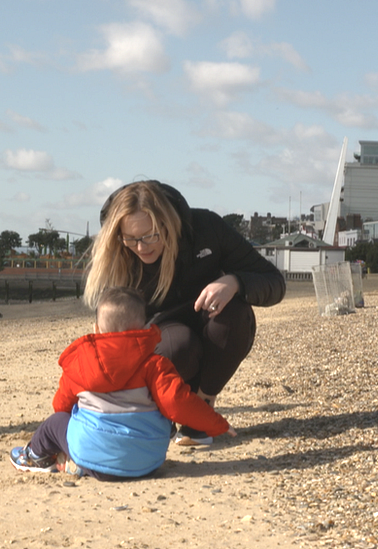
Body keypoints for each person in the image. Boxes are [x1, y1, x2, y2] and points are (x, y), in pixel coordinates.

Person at [84, 180, 284, 446]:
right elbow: (116, 333)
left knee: (235, 312)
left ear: (168, 223)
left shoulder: (206, 228)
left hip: (214, 325)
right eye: (131, 239)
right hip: (167, 339)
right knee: (178, 345)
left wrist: (234, 282)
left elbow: (274, 282)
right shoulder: (120, 254)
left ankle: (201, 408)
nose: (141, 247)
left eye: (150, 235)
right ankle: (160, 411)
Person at [9, 286, 237, 479]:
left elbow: (61, 406)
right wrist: (217, 424)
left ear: (96, 329)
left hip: (93, 458)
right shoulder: (154, 364)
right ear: (146, 328)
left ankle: (34, 457)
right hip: (148, 464)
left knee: (57, 421)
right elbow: (178, 403)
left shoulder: (81, 363)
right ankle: (84, 461)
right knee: (161, 408)